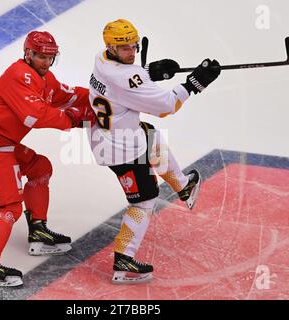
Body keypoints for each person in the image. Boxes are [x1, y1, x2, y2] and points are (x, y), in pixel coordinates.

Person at [88, 19, 221, 284]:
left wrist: (149, 71)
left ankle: (183, 186)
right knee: (144, 200)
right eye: (124, 48)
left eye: (133, 46)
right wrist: (194, 83)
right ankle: (124, 259)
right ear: (112, 47)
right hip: (122, 150)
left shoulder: (102, 60)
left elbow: (129, 79)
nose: (131, 52)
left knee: (149, 133)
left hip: (108, 136)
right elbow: (166, 106)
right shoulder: (126, 77)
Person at [0, 30, 95, 287]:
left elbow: (66, 95)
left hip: (1, 140)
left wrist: (101, 98)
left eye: (50, 57)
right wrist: (76, 118)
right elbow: (35, 115)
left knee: (39, 168)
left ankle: (39, 233)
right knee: (8, 206)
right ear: (28, 54)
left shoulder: (43, 77)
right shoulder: (18, 76)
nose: (46, 62)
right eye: (41, 56)